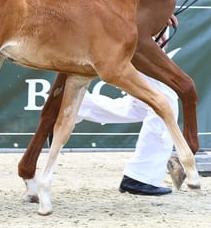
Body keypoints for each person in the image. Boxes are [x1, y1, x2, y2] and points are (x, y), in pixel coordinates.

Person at [75, 16, 185, 196]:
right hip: (138, 47)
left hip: (141, 45)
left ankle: (75, 105)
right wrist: (156, 16)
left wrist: (162, 10)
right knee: (164, 103)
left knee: (139, 107)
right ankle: (141, 177)